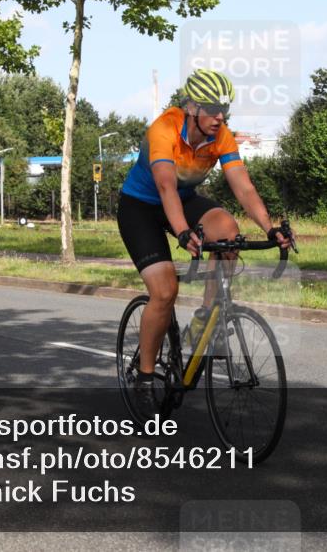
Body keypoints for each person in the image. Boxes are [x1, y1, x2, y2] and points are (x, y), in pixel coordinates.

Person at [117, 69, 292, 419]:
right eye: (213, 109)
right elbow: (165, 186)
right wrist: (184, 233)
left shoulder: (221, 135)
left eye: (225, 109)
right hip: (141, 208)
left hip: (183, 199)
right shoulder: (164, 129)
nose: (220, 116)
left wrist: (271, 228)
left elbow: (243, 187)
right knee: (165, 291)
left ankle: (204, 321)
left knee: (227, 229)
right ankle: (146, 377)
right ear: (192, 107)